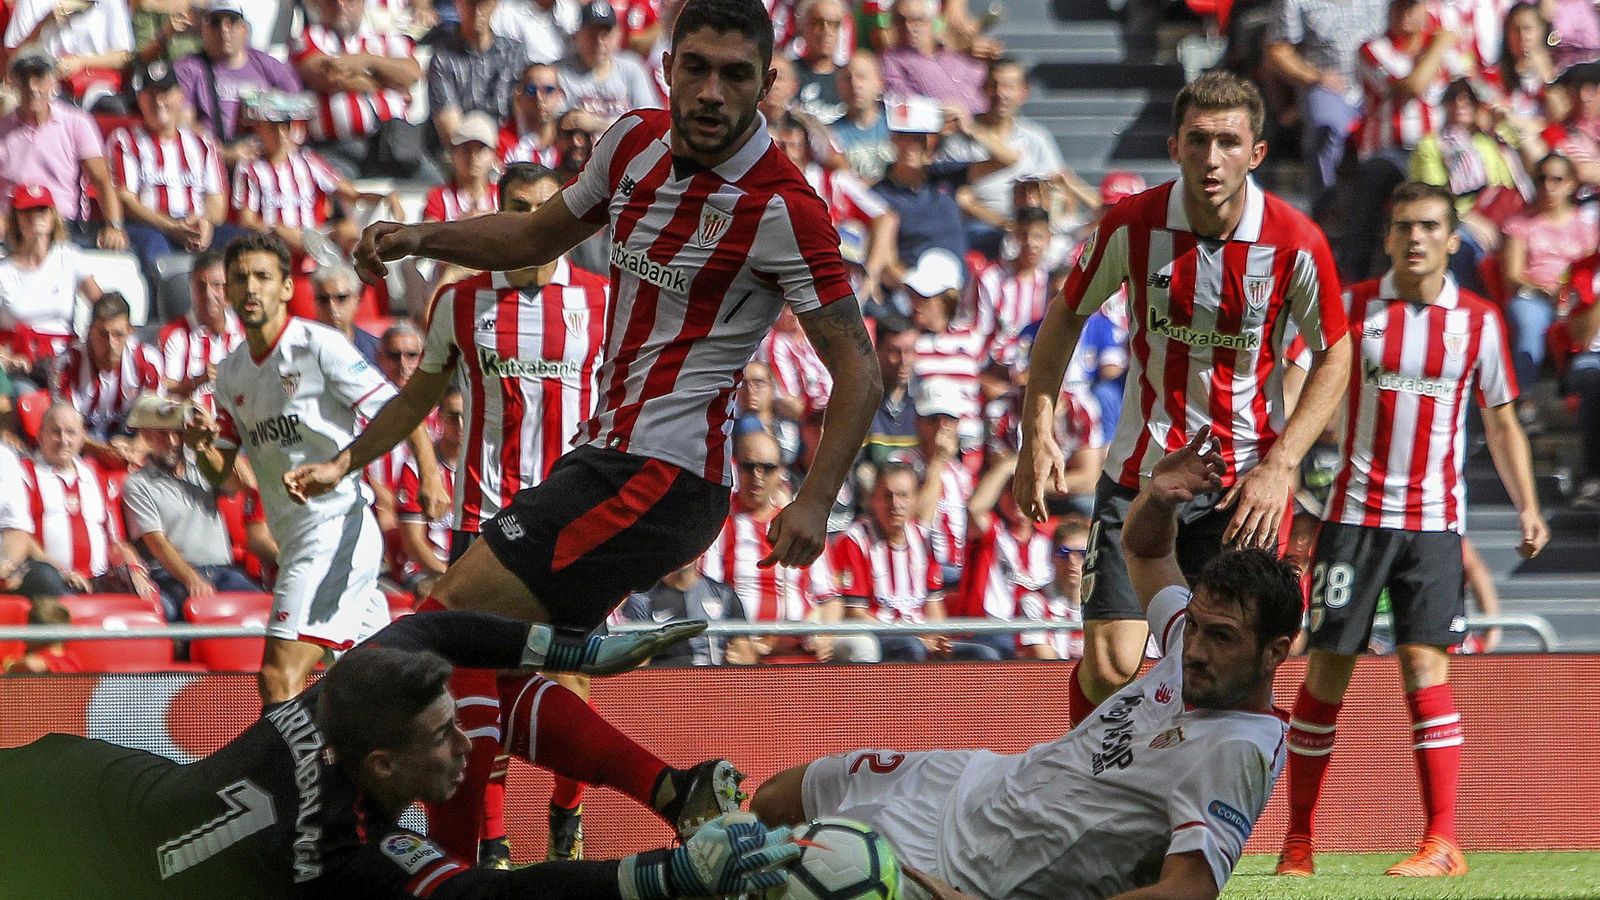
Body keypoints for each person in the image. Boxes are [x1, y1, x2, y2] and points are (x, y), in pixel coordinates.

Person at [296, 0, 881, 864]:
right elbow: (536, 232)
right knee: (498, 664)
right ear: (668, 65)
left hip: (666, 476)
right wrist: (423, 233)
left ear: (767, 83)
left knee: (447, 626)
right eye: (696, 67)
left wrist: (816, 498)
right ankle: (668, 791)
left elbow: (861, 370)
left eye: (736, 74)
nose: (712, 91)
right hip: (609, 457)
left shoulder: (785, 207)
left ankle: (455, 873)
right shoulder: (633, 143)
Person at [755, 429, 1301, 900]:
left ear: (1277, 651)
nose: (1195, 649)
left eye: (1221, 637)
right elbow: (1149, 553)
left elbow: (1189, 890)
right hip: (967, 779)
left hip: (972, 870)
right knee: (776, 799)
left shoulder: (1239, 748)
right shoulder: (1196, 648)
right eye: (1197, 627)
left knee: (788, 875)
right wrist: (1158, 498)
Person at [0, 608, 799, 899]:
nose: (469, 746)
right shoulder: (336, 855)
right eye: (444, 738)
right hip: (52, 846)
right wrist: (664, 878)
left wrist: (581, 652)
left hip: (74, 777)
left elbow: (435, 628)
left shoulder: (344, 700)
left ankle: (669, 788)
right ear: (381, 765)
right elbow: (493, 897)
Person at [1015, 71, 1352, 726]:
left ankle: (1200, 813)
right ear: (1174, 146)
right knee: (1114, 664)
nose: (1212, 158)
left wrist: (1282, 468)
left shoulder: (1295, 241)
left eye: (1229, 141)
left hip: (1245, 486)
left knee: (1229, 668)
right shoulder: (1132, 224)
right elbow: (1064, 317)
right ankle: (1086, 787)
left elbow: (1336, 351)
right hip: (1142, 472)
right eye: (1198, 140)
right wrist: (1038, 431)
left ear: (1257, 153)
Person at [1275, 181, 1550, 880]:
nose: (1417, 237)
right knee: (1326, 674)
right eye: (1404, 226)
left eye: (1431, 225)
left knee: (1426, 671)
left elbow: (1501, 419)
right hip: (1352, 520)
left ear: (1453, 239)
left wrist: (1527, 506)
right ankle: (1298, 844)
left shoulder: (1479, 322)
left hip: (1434, 527)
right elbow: (1295, 369)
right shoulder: (1355, 306)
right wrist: (1289, 463)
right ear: (1390, 237)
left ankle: (1443, 842)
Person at [183, 233, 445, 705]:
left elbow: (399, 408)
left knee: (278, 679)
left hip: (333, 530)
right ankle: (431, 752)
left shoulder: (317, 345)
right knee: (382, 690)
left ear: (286, 288)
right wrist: (201, 447)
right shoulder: (232, 373)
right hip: (296, 536)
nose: (250, 289)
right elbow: (222, 475)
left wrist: (429, 472)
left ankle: (286, 781)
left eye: (262, 277)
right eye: (239, 279)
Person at [700, 430, 866, 662]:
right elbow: (707, 594)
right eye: (749, 467)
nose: (758, 476)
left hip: (803, 641)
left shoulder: (800, 524)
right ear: (736, 467)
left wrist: (824, 633)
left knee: (861, 646)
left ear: (780, 472)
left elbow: (830, 599)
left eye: (767, 468)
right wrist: (740, 640)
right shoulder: (720, 522)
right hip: (743, 647)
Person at [831, 460, 998, 662]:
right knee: (911, 648)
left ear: (915, 499)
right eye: (887, 495)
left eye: (903, 496)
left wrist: (936, 637)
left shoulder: (923, 539)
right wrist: (913, 636)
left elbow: (934, 606)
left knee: (983, 655)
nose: (895, 504)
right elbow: (855, 613)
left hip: (919, 635)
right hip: (881, 635)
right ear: (873, 499)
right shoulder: (855, 540)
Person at [122, 393, 263, 620]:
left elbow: (246, 484)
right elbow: (157, 543)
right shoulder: (138, 484)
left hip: (223, 571)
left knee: (265, 611)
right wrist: (191, 579)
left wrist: (212, 439)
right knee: (176, 613)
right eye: (162, 434)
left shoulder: (202, 467)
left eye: (177, 432)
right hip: (175, 577)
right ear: (147, 436)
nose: (173, 441)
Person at [19, 403, 159, 603]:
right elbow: (21, 537)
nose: (64, 440)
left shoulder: (96, 476)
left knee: (146, 598)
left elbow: (115, 542)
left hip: (99, 580)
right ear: (40, 435)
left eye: (71, 433)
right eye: (55, 432)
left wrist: (134, 570)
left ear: (82, 437)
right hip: (51, 583)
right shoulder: (24, 475)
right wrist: (61, 572)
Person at [108, 60, 230, 288]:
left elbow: (217, 201)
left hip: (194, 224)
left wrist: (204, 223)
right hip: (151, 226)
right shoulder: (125, 141)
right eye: (150, 94)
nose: (158, 101)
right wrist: (171, 226)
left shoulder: (203, 143)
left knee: (242, 245)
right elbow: (127, 200)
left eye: (165, 93)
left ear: (180, 97)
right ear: (140, 100)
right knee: (156, 250)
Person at [1263, 0, 1388, 205]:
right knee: (1328, 125)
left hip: (1378, 84)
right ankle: (1326, 202)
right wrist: (1315, 76)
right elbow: (1277, 51)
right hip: (1326, 86)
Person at [0, 53, 127, 250]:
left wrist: (114, 226)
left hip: (63, 224)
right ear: (14, 83)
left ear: (52, 82)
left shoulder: (76, 122)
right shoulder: (3, 128)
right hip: (13, 225)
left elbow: (101, 179)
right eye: (25, 79)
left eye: (39, 78)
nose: (32, 87)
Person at [291, 0, 425, 179]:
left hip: (395, 143)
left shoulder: (386, 38)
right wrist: (389, 82)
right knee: (333, 187)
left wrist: (367, 61)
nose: (340, 5)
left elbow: (412, 74)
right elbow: (329, 77)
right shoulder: (308, 37)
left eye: (349, 1)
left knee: (434, 182)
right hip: (338, 148)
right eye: (333, 2)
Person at [1500, 152, 1597, 400]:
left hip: (1575, 297)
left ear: (1571, 184)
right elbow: (1512, 273)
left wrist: (1569, 293)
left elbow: (1590, 269)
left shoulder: (1586, 227)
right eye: (1542, 179)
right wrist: (1544, 288)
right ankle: (1526, 398)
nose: (1548, 186)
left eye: (1557, 179)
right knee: (1529, 324)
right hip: (1533, 295)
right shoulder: (1520, 224)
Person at [173, 0, 303, 164]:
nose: (224, 30)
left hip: (266, 161)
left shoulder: (268, 65)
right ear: (203, 30)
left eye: (232, 22)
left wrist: (277, 147)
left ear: (244, 29)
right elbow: (183, 128)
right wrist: (223, 154)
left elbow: (298, 108)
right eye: (215, 22)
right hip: (214, 161)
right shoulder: (188, 69)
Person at [0, 183, 104, 380]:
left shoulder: (70, 257)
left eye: (41, 210)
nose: (35, 217)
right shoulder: (3, 271)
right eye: (27, 211)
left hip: (66, 361)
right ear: (16, 219)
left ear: (52, 216)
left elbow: (103, 306)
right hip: (20, 365)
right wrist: (7, 357)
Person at [50, 292, 165, 464]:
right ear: (89, 331)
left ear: (130, 331)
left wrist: (136, 446)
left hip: (129, 441)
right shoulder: (67, 365)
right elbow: (64, 429)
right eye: (103, 335)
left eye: (118, 335)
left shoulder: (148, 363)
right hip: (82, 448)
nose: (111, 344)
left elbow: (157, 421)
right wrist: (105, 451)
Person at [427, 0, 530, 148]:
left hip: (508, 147)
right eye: (470, 3)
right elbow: (451, 131)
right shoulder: (443, 59)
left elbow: (523, 114)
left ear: (495, 4)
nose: (477, 10)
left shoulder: (514, 53)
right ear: (457, 4)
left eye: (484, 3)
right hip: (464, 149)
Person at [621, 562, 757, 665]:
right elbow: (638, 662)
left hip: (713, 685)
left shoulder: (723, 594)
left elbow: (745, 652)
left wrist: (741, 655)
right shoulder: (643, 599)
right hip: (666, 688)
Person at [159, 251, 243, 409]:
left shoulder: (244, 333)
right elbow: (164, 390)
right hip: (188, 426)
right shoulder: (174, 334)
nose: (209, 294)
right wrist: (197, 381)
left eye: (217, 286)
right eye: (201, 286)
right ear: (192, 289)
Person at [556, 0, 661, 127]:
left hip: (626, 146)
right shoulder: (561, 72)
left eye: (605, 34)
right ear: (577, 35)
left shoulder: (632, 68)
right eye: (592, 34)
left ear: (618, 35)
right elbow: (564, 125)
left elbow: (650, 123)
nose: (599, 41)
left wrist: (596, 124)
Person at [878, 0, 986, 116]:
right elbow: (904, 103)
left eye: (916, 20)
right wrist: (945, 110)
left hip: (986, 121)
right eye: (901, 20)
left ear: (930, 21)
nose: (908, 27)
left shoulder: (955, 52)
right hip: (947, 127)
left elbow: (985, 83)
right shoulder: (892, 61)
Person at [424, 112, 502, 222]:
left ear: (493, 154)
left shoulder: (501, 195)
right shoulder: (439, 197)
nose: (473, 157)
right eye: (466, 150)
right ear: (453, 153)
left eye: (480, 150)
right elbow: (429, 234)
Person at [311, 266, 382, 366]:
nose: (332, 308)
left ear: (357, 300)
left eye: (341, 298)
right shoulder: (299, 347)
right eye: (324, 299)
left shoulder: (377, 351)